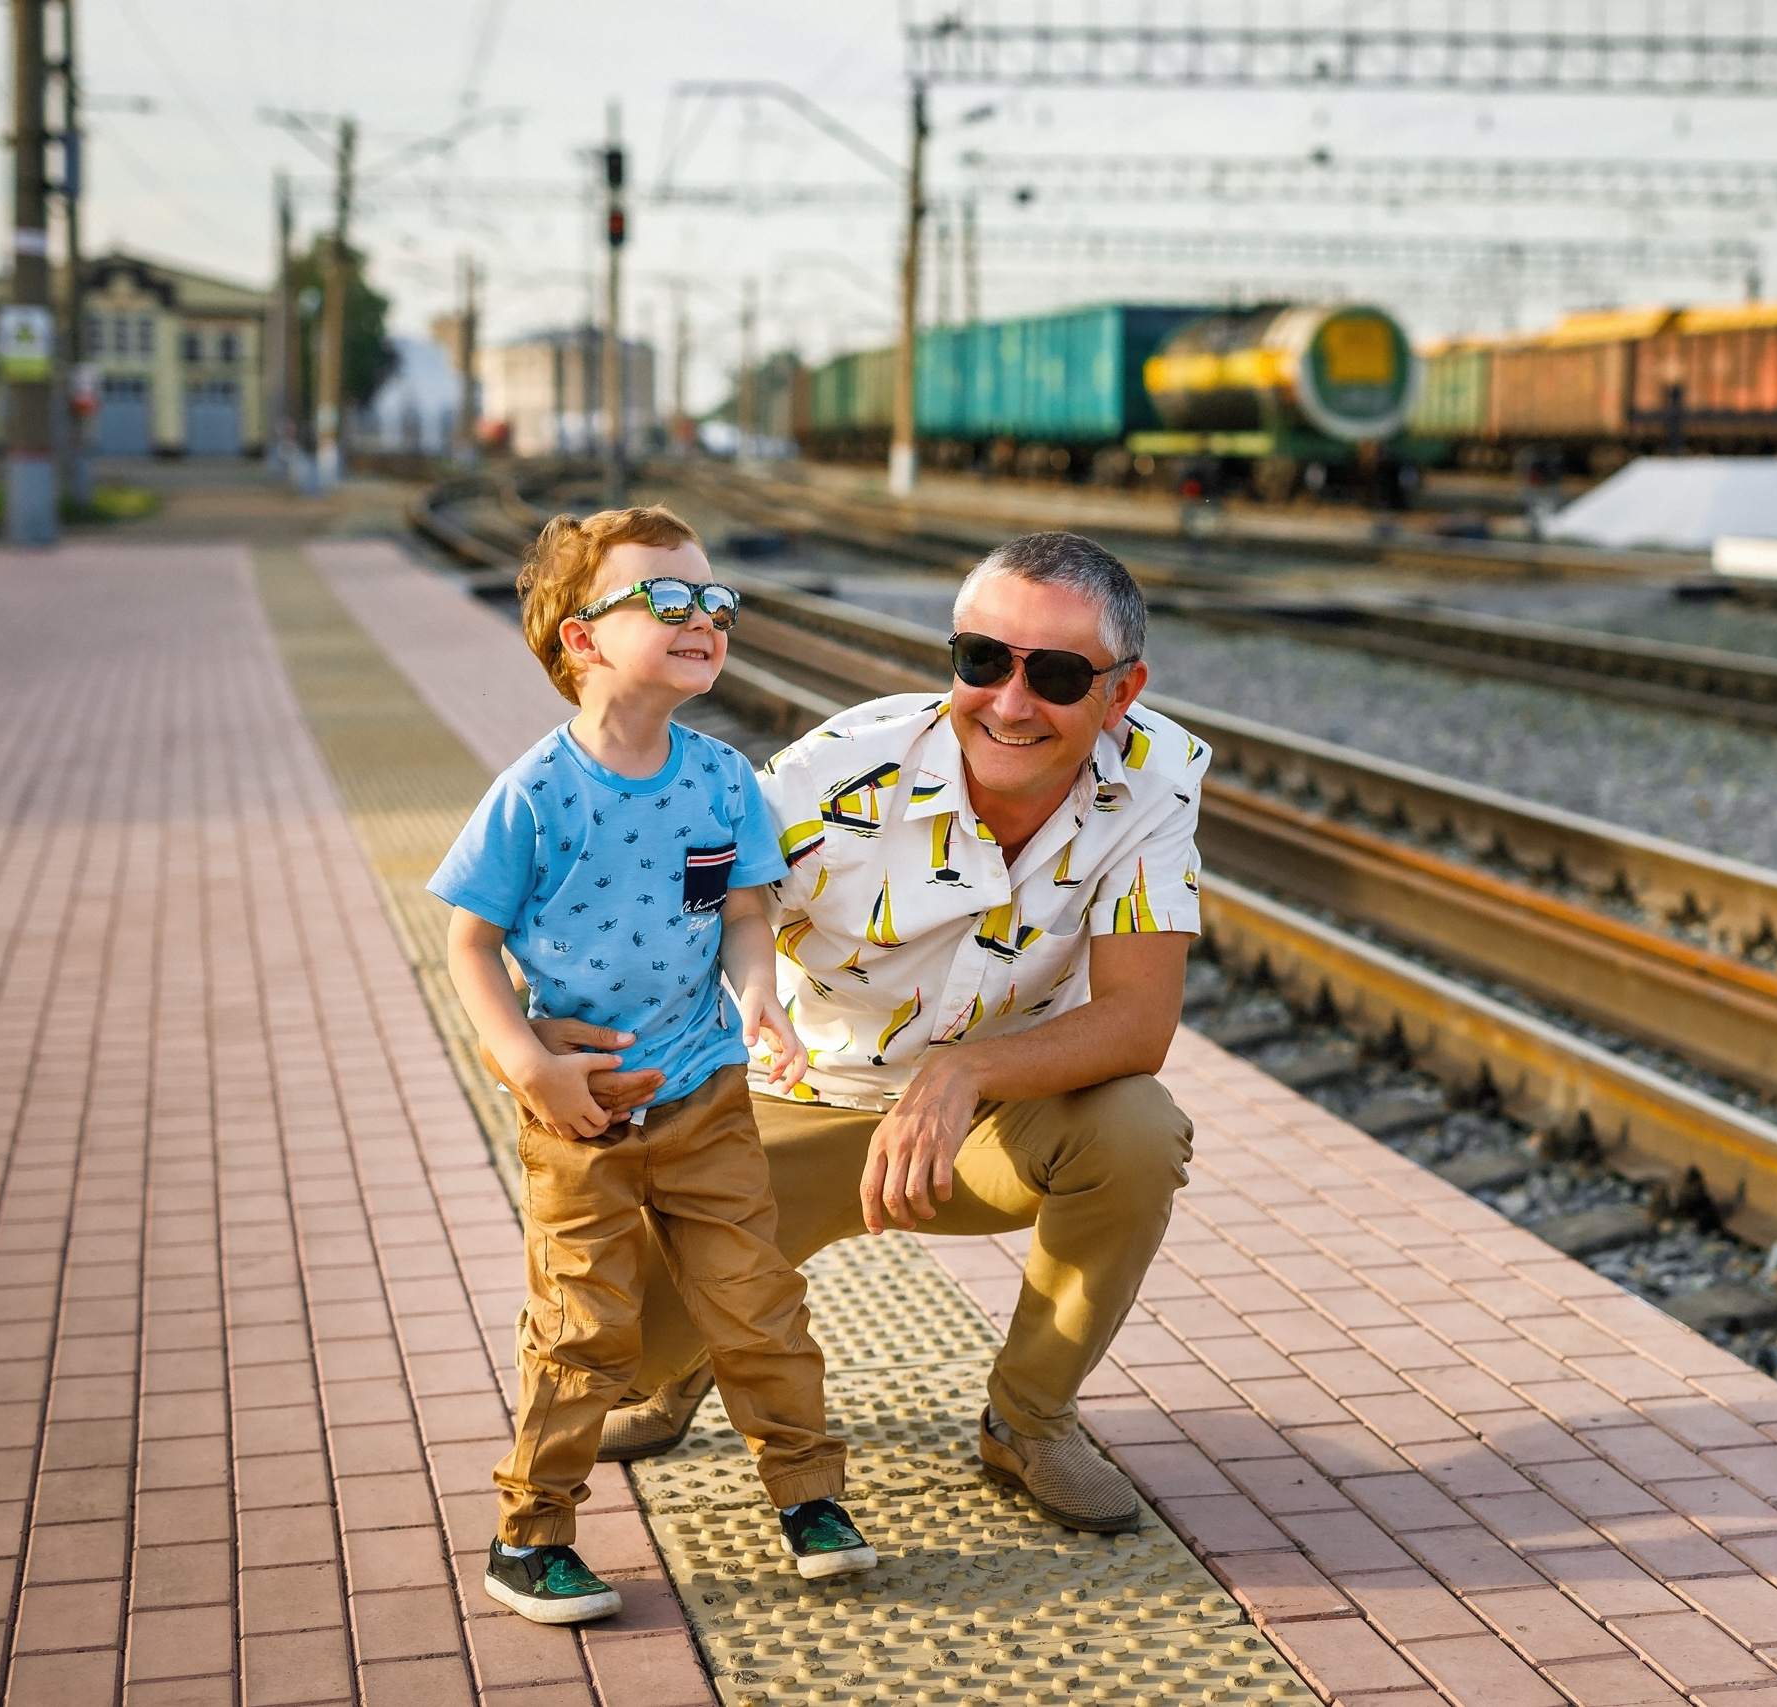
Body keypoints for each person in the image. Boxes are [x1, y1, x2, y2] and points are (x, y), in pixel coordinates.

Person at [524, 529, 1205, 1534]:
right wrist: (550, 1032)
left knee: (1138, 1130)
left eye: (1058, 675)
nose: (1011, 703)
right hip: (782, 1103)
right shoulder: (834, 776)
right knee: (621, 1355)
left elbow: (1139, 1023)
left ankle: (1028, 1421)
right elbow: (669, 917)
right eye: (983, 660)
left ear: (1122, 692)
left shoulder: (1156, 778)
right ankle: (694, 1353)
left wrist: (965, 1074)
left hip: (984, 1126)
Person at [430, 506, 877, 1625]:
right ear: (582, 639)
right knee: (583, 1328)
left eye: (715, 600)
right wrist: (526, 1064)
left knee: (758, 1302)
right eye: (669, 599)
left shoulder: (721, 779)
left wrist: (759, 994)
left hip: (708, 1093)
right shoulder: (534, 793)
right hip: (581, 1110)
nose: (704, 618)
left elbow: (741, 912)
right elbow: (469, 945)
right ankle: (530, 1536)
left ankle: (809, 1497)